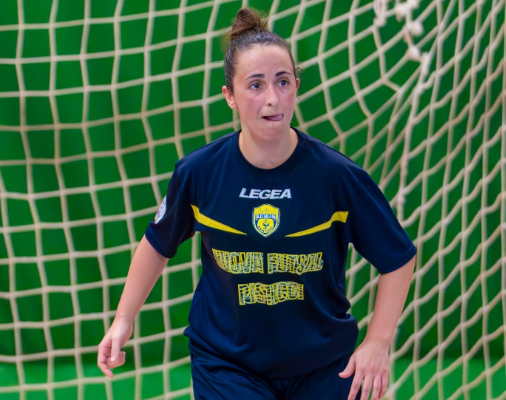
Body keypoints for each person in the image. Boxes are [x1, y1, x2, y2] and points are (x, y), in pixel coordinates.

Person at [97, 7, 416, 400]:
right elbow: (157, 243)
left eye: (283, 82)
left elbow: (398, 258)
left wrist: (378, 342)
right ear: (229, 96)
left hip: (323, 363)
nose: (272, 99)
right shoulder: (199, 172)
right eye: (255, 85)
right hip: (227, 364)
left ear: (296, 86)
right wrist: (123, 319)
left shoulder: (336, 176)